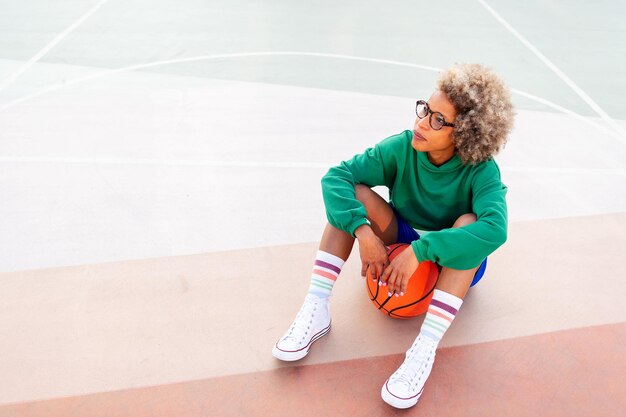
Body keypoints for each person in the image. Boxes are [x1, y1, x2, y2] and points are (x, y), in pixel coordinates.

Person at [271, 63, 515, 409]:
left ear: (465, 133)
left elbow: (495, 229)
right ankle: (316, 307)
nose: (421, 122)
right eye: (425, 110)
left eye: (437, 120)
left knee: (469, 221)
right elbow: (336, 177)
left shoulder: (482, 171)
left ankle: (424, 349)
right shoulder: (401, 147)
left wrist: (420, 251)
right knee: (352, 195)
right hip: (402, 233)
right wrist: (363, 232)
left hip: (451, 258)